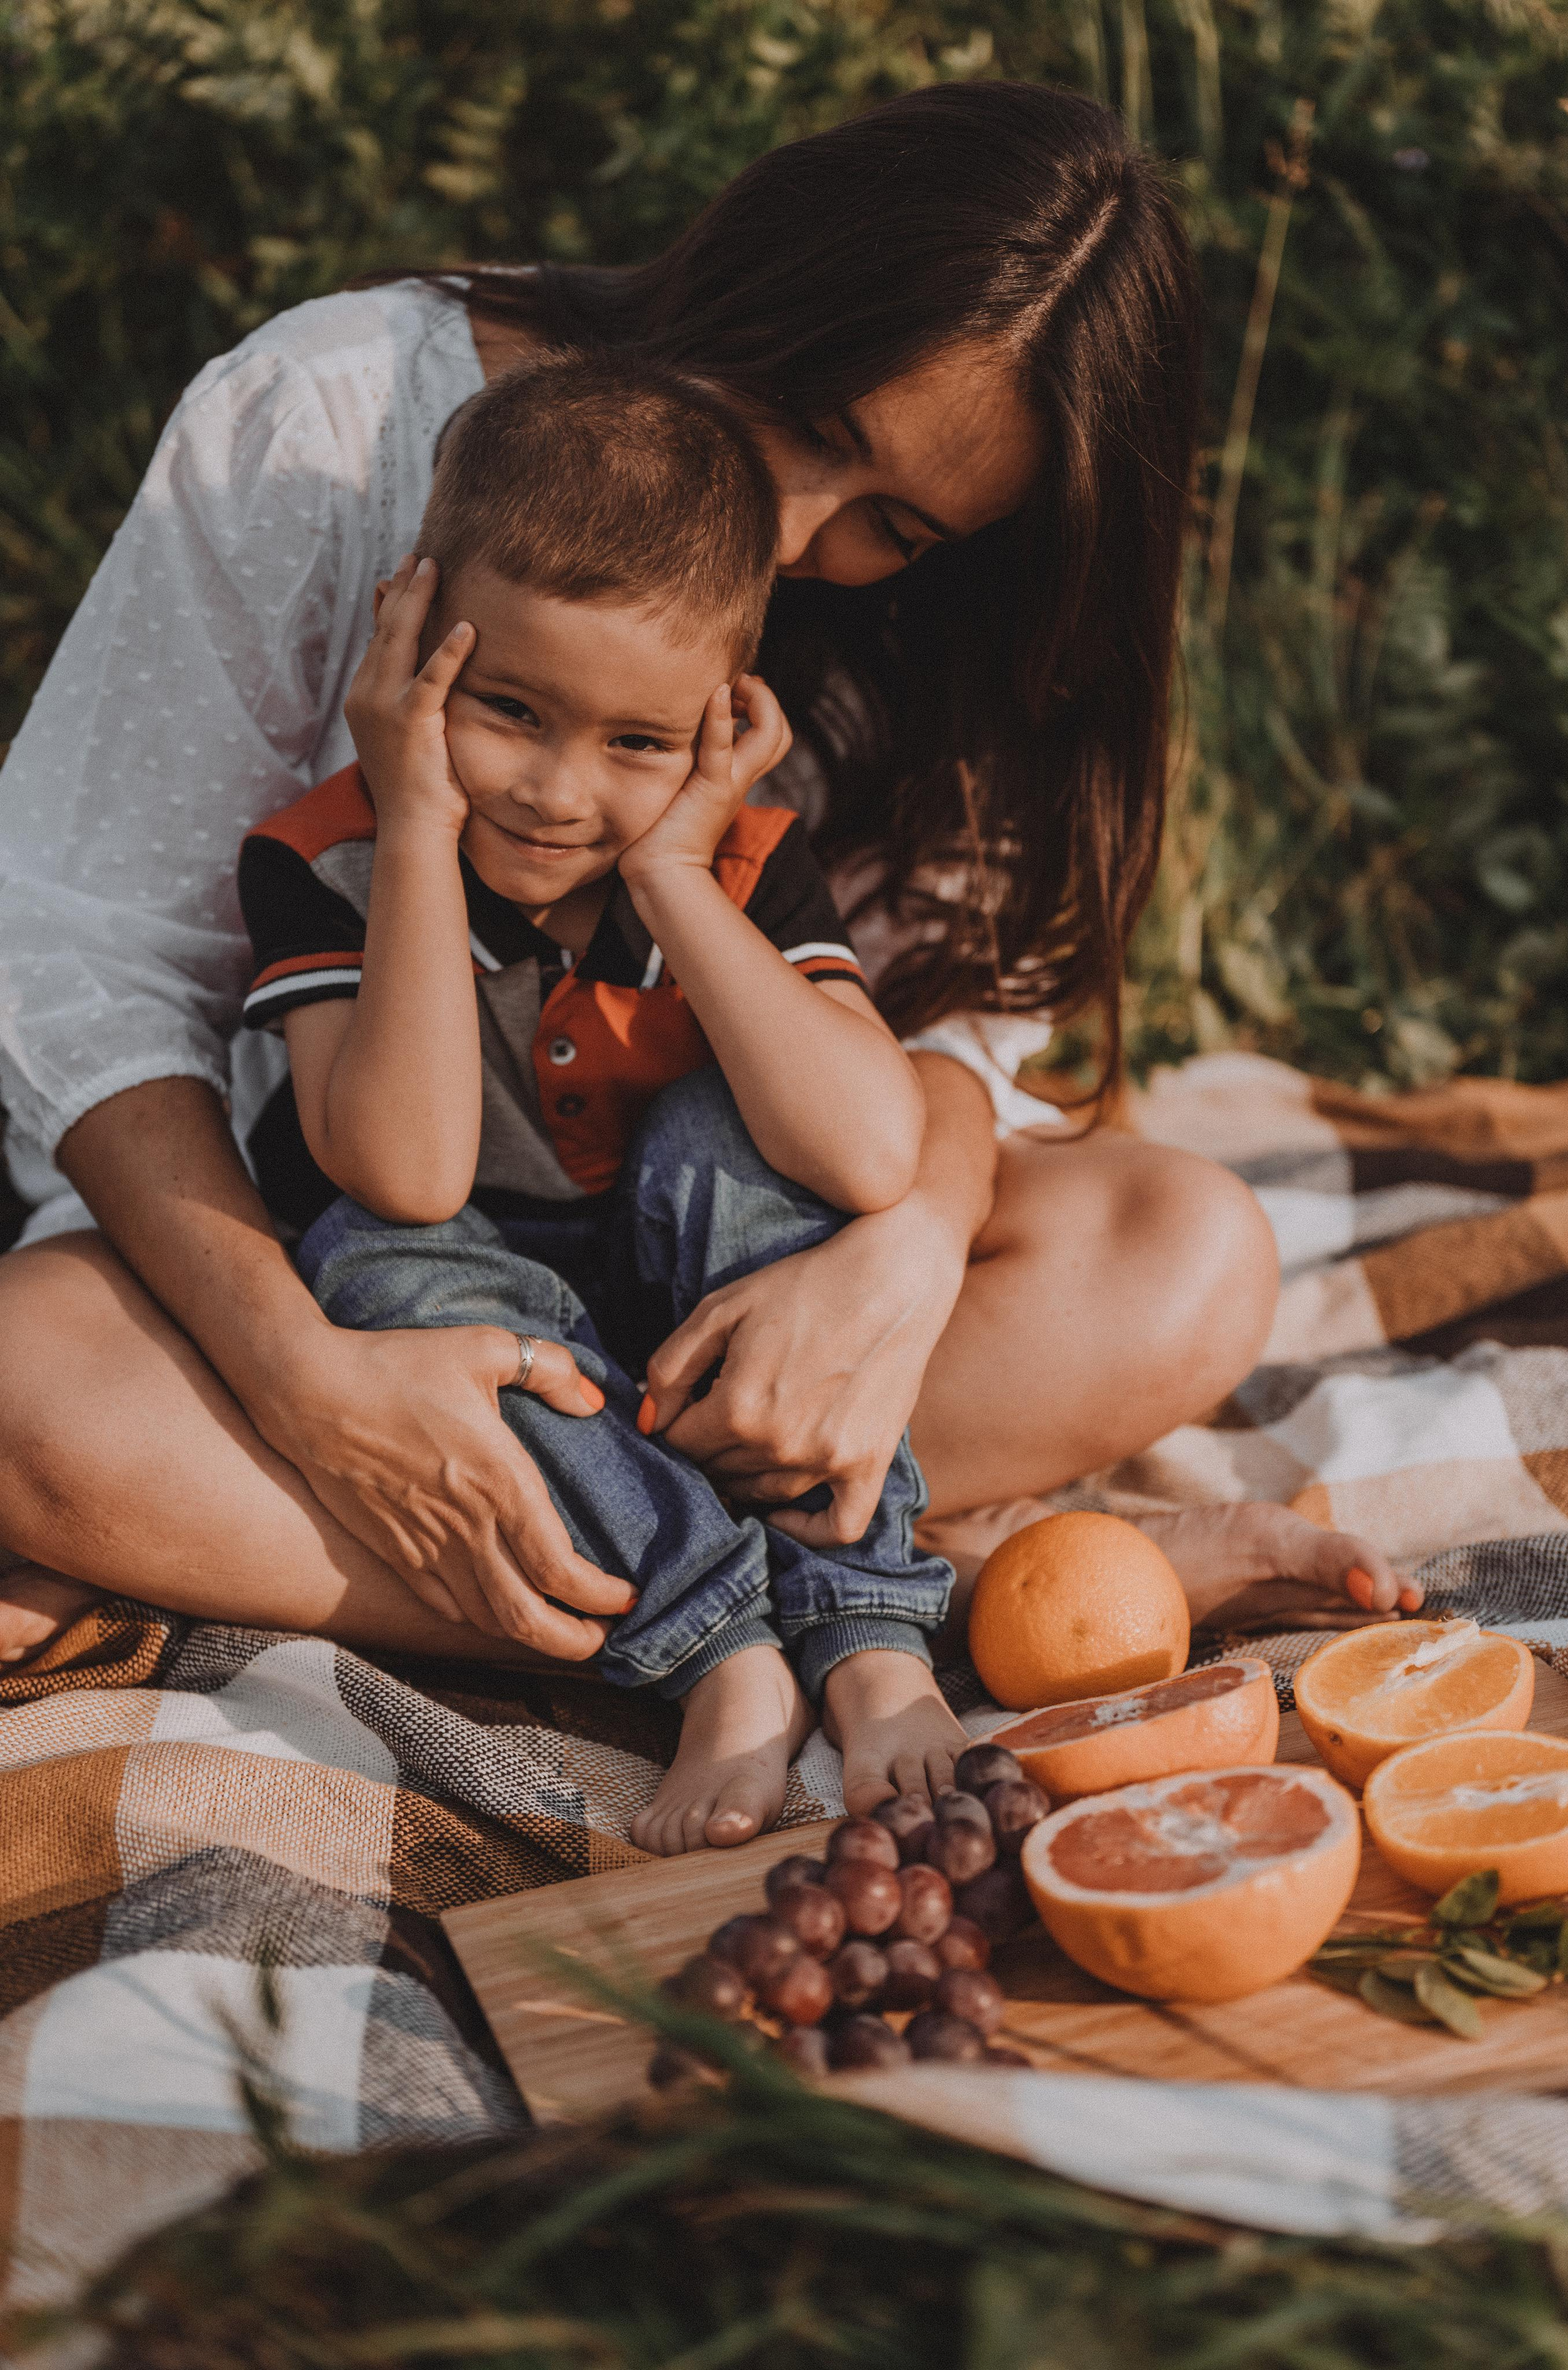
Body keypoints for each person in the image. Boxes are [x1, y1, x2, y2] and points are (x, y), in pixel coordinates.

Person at [0, 83, 1417, 1761]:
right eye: (807, 414)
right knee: (26, 1378)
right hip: (353, 1286)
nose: (807, 532)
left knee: (1185, 1254)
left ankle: (591, 1574)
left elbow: (941, 1028)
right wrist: (307, 1375)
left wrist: (900, 1262)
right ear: (760, 277)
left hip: (714, 1292)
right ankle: (886, 1593)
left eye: (896, 523)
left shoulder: (920, 638)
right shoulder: (329, 419)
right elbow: (83, 951)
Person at [240, 352, 959, 1848]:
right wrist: (419, 814)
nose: (561, 793)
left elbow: (875, 1152)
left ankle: (867, 1623)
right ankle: (725, 1650)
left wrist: (674, 873)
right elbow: (411, 1168)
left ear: (720, 722)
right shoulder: (326, 861)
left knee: (738, 1139)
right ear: (413, 639)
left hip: (686, 1321)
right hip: (487, 1339)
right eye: (508, 707)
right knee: (371, 1256)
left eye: (636, 742)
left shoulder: (736, 859)